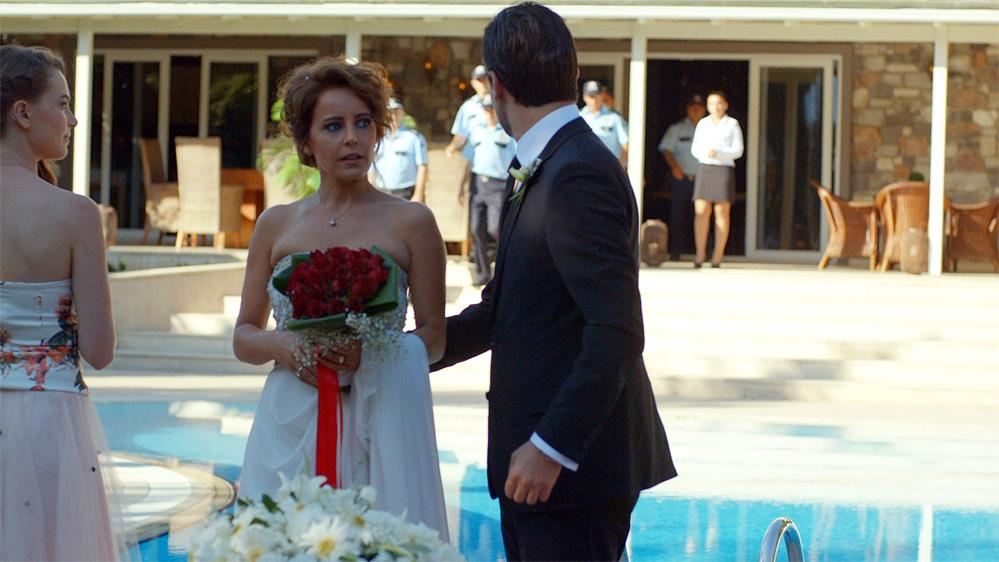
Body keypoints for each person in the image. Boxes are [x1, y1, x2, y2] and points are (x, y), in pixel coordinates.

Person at [431, 4, 676, 560]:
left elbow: (617, 331)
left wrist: (551, 446)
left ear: (496, 85)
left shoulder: (577, 171)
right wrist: (400, 354)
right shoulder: (548, 160)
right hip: (536, 471)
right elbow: (503, 310)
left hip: (573, 477)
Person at [234, 57, 450, 539]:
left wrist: (375, 354)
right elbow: (243, 337)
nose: (352, 138)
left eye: (363, 123)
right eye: (333, 126)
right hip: (290, 421)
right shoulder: (276, 224)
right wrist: (282, 345)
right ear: (306, 142)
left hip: (381, 424)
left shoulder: (413, 222)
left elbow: (434, 337)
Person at [0, 44, 131, 561]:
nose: (73, 119)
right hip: (46, 421)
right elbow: (100, 350)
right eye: (63, 103)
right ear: (23, 112)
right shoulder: (75, 214)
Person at [466, 95, 516, 285]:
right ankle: (483, 274)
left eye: (492, 109)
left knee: (495, 228)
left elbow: (518, 159)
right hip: (479, 183)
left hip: (499, 184)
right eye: (486, 109)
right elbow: (469, 159)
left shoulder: (508, 133)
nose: (489, 113)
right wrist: (464, 184)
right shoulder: (477, 130)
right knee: (476, 228)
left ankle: (505, 269)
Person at [690, 90, 744, 268]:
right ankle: (700, 254)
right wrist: (707, 153)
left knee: (721, 211)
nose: (716, 107)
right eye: (712, 103)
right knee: (701, 211)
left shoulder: (732, 124)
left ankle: (717, 256)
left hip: (723, 168)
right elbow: (695, 148)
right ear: (708, 106)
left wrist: (720, 153)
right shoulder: (703, 124)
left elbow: (738, 150)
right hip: (705, 167)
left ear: (725, 105)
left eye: (719, 103)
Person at [658, 94, 707, 261]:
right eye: (693, 107)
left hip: (704, 180)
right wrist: (674, 167)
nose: (696, 110)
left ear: (704, 109)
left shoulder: (710, 128)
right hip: (683, 179)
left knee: (703, 216)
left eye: (699, 107)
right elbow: (666, 149)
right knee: (678, 216)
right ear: (687, 109)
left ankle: (702, 253)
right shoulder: (677, 128)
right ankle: (675, 253)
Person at [369, 96, 428, 202]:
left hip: (406, 193)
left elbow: (422, 166)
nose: (393, 116)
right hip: (381, 193)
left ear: (402, 113)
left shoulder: (414, 138)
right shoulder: (376, 139)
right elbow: (371, 168)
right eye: (389, 112)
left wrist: (418, 193)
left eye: (397, 111)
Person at [579, 80, 629, 168]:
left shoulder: (614, 118)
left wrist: (618, 169)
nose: (594, 100)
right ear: (584, 97)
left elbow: (626, 146)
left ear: (603, 95)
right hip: (585, 170)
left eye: (597, 95)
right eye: (591, 96)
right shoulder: (579, 117)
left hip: (609, 170)